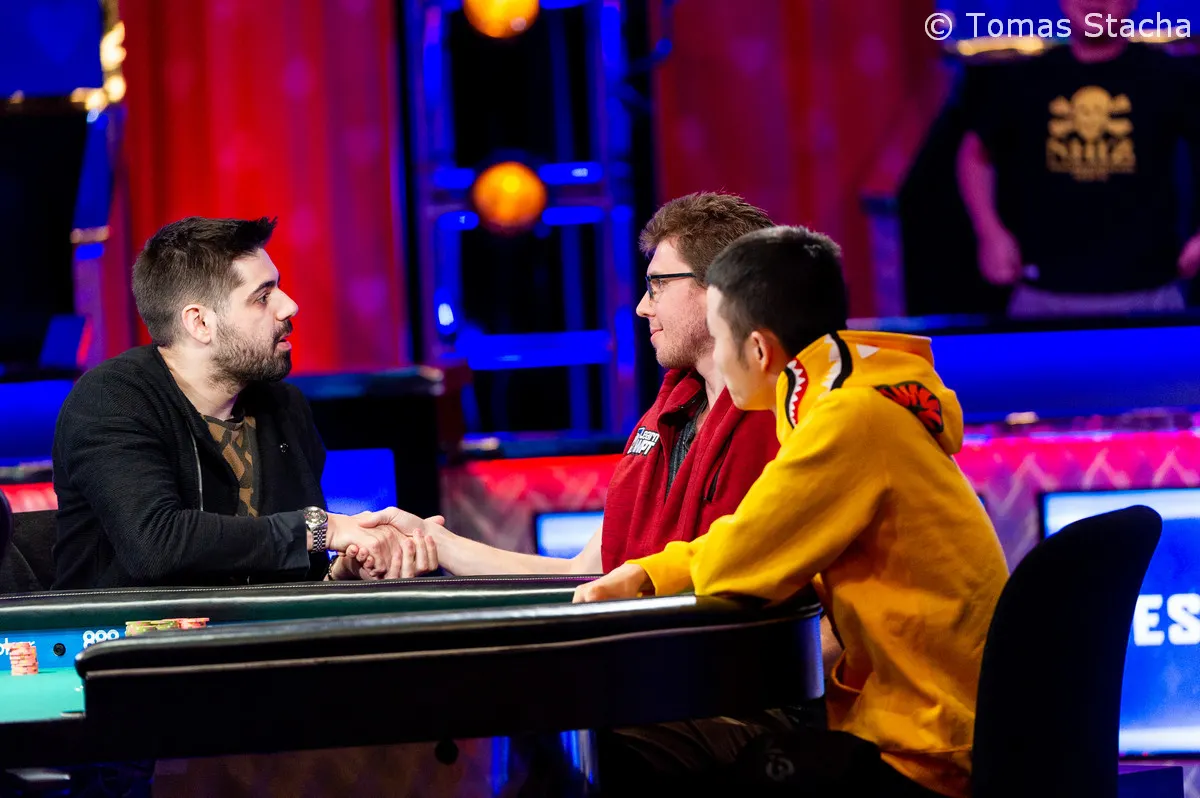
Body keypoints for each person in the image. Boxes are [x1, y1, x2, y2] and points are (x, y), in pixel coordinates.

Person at [575, 226, 1010, 798]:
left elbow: (745, 559)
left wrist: (646, 575)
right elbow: (751, 537)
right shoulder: (856, 398)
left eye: (720, 340)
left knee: (622, 752)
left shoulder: (847, 419)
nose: (716, 361)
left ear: (758, 350)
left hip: (924, 746)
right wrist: (648, 572)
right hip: (931, 722)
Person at [52, 216, 438, 589]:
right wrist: (324, 527)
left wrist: (342, 573)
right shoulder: (111, 399)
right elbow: (155, 545)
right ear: (200, 323)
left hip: (256, 630)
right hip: (121, 632)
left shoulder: (283, 405)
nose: (289, 306)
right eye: (263, 297)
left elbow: (288, 573)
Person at [424, 192, 781, 576]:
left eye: (658, 284)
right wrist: (438, 543)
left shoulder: (788, 415)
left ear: (721, 290)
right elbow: (581, 573)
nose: (643, 306)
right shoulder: (669, 414)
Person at [957, 0, 1200, 318]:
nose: (1094, 1)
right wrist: (989, 232)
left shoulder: (1166, 76)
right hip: (1041, 295)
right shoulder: (1028, 78)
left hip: (1149, 294)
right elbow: (974, 153)